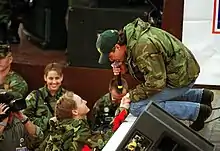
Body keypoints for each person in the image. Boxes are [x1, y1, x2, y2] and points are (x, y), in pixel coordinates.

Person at [95, 18, 214, 131]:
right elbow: (147, 72)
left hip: (180, 78)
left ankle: (197, 112)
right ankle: (201, 96)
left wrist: (130, 96)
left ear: (117, 47)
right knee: (149, 98)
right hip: (179, 73)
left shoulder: (143, 47)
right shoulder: (132, 37)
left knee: (137, 106)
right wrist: (124, 66)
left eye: (110, 56)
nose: (111, 60)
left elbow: (155, 84)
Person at [45, 91, 130, 151]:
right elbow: (107, 139)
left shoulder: (59, 129)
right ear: (75, 112)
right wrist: (123, 109)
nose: (85, 102)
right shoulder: (78, 132)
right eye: (81, 102)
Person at [23, 62, 66, 148]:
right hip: (39, 141)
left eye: (57, 78)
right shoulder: (35, 96)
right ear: (45, 78)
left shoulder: (68, 97)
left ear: (62, 78)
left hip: (60, 142)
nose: (54, 82)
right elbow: (24, 118)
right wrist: (47, 122)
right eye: (50, 78)